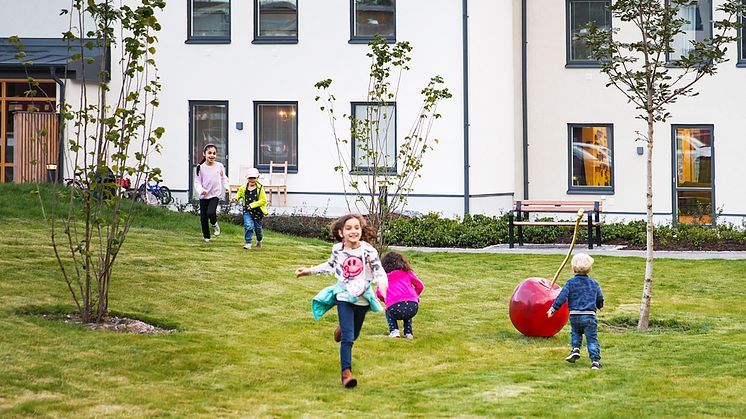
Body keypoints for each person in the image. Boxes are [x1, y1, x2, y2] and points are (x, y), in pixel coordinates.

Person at [294, 214, 388, 388]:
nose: (353, 231)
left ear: (361, 230)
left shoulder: (369, 251)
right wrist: (308, 271)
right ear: (341, 232)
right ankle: (346, 374)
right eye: (349, 228)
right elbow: (329, 265)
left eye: (356, 228)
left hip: (362, 298)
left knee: (354, 334)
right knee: (349, 339)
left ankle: (342, 329)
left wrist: (382, 284)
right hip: (344, 295)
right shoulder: (338, 250)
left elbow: (379, 271)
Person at [547, 253, 605, 370]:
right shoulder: (594, 283)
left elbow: (562, 297)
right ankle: (595, 362)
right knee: (592, 338)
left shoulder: (570, 283)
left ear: (573, 269)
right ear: (590, 269)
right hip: (589, 316)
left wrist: (553, 309)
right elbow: (600, 298)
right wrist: (600, 306)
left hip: (574, 315)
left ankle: (575, 349)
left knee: (576, 332)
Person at [376, 251, 424, 339]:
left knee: (388, 310)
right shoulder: (407, 272)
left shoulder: (383, 277)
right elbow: (420, 285)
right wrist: (415, 296)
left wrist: (387, 301)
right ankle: (408, 333)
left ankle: (394, 331)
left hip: (394, 307)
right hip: (412, 306)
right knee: (406, 309)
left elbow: (379, 293)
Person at [194, 144, 229, 242]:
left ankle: (214, 224)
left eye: (214, 153)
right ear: (204, 154)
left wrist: (226, 187)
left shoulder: (219, 166)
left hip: (214, 194)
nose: (212, 155)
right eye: (209, 153)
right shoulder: (200, 167)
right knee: (203, 218)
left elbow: (224, 178)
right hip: (204, 196)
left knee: (211, 212)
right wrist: (201, 190)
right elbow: (197, 182)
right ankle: (207, 237)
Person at [233, 168, 268, 250]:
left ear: (257, 178)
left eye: (254, 178)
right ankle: (248, 243)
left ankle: (259, 240)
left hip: (257, 211)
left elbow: (263, 200)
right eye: (250, 178)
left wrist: (252, 205)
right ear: (247, 178)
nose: (252, 180)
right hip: (247, 211)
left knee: (258, 228)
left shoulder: (260, 189)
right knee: (248, 226)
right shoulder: (243, 188)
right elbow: (238, 194)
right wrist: (235, 199)